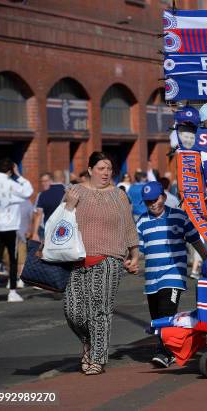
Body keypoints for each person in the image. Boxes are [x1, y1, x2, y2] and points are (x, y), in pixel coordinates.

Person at [63, 152, 139, 375]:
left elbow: (128, 226)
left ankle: (97, 357)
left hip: (109, 259)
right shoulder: (75, 191)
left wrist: (134, 254)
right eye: (101, 168)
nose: (106, 173)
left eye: (109, 169)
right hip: (77, 259)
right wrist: (70, 205)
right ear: (90, 170)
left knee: (100, 310)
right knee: (73, 311)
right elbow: (61, 224)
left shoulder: (119, 195)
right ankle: (88, 342)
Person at [136, 181, 207, 368]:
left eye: (155, 199)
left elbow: (195, 240)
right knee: (157, 316)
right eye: (147, 201)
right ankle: (173, 347)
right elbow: (138, 249)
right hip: (152, 278)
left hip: (173, 274)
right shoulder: (142, 221)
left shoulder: (178, 216)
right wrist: (132, 260)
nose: (152, 204)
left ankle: (163, 352)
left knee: (167, 311)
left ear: (164, 197)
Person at [0, 158, 33, 302]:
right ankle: (12, 292)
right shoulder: (12, 184)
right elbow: (28, 191)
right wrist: (18, 175)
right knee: (13, 260)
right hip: (9, 227)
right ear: (10, 170)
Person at [31, 170, 66, 242]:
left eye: (46, 181)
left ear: (51, 180)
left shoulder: (43, 195)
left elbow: (38, 214)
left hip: (53, 228)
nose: (43, 183)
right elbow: (37, 214)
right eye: (42, 181)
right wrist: (35, 232)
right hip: (44, 228)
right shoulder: (40, 194)